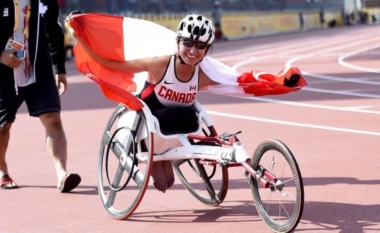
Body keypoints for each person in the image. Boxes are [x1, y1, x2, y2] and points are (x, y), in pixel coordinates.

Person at [67, 13, 303, 193]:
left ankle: (167, 156)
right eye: (188, 43)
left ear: (207, 49)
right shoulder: (159, 64)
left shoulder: (204, 72)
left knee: (189, 118)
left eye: (201, 46)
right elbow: (109, 62)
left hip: (178, 124)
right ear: (178, 42)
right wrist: (80, 38)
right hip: (147, 121)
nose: (193, 51)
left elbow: (241, 82)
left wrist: (282, 81)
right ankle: (154, 157)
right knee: (165, 120)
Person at [0, 0, 81, 192]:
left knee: (53, 120)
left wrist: (59, 69)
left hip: (41, 72)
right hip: (6, 74)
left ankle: (62, 174)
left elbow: (54, 31)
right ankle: (1, 170)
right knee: (3, 125)